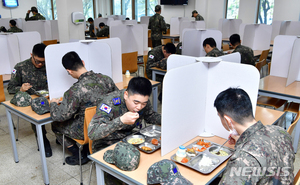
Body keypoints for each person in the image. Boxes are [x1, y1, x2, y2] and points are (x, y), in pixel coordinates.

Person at [214, 88, 295, 184]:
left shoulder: (242, 160)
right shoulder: (281, 131)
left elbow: (250, 157)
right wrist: (242, 141)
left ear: (228, 120)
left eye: (219, 116)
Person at [50, 51, 118, 165]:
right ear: (83, 62)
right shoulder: (106, 79)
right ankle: (88, 148)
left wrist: (53, 103)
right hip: (107, 123)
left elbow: (59, 116)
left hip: (87, 129)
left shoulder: (75, 90)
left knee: (56, 125)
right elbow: (117, 100)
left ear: (69, 71)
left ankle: (79, 155)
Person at [88, 77, 161, 153]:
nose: (139, 107)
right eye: (136, 103)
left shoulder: (142, 100)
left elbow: (150, 116)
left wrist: (166, 119)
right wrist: (121, 120)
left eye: (143, 104)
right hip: (107, 143)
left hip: (130, 138)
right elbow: (93, 132)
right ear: (126, 95)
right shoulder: (109, 103)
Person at [7, 43, 52, 157]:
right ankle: (43, 139)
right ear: (31, 55)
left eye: (43, 62)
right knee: (37, 113)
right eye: (37, 61)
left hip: (47, 98)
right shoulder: (20, 67)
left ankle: (60, 135)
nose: (40, 64)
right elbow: (10, 88)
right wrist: (21, 89)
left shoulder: (48, 65)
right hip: (30, 100)